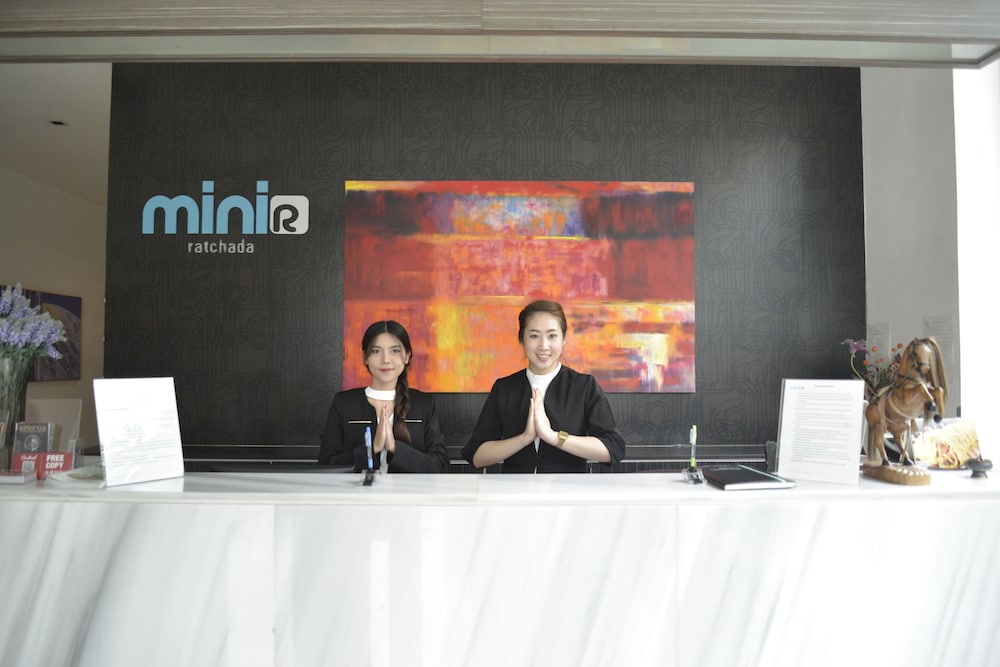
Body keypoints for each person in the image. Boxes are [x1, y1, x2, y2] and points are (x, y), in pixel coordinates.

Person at [462, 300, 626, 473]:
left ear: (564, 339)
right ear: (521, 339)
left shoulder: (584, 386)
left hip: (568, 488)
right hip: (515, 488)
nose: (543, 346)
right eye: (534, 336)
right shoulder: (504, 388)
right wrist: (524, 438)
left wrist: (554, 437)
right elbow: (477, 456)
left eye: (552, 336)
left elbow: (613, 448)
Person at [319, 320, 449, 473]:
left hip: (409, 489)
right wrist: (373, 447)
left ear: (407, 356)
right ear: (365, 357)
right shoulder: (343, 403)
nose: (386, 360)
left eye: (395, 351)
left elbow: (440, 466)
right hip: (356, 489)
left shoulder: (424, 404)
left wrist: (394, 447)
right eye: (376, 351)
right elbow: (326, 463)